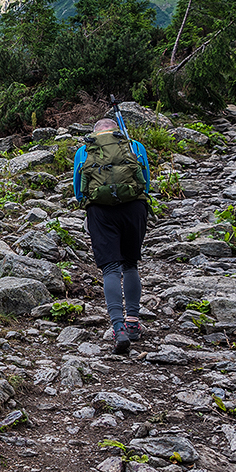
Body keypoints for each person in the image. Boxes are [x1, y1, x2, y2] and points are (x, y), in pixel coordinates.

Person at [72, 117, 151, 355]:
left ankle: (118, 328)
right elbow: (145, 183)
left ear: (95, 133)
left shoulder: (84, 150)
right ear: (116, 131)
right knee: (130, 264)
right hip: (134, 209)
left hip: (100, 212)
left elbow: (78, 191)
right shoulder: (134, 146)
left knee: (110, 269)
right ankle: (133, 321)